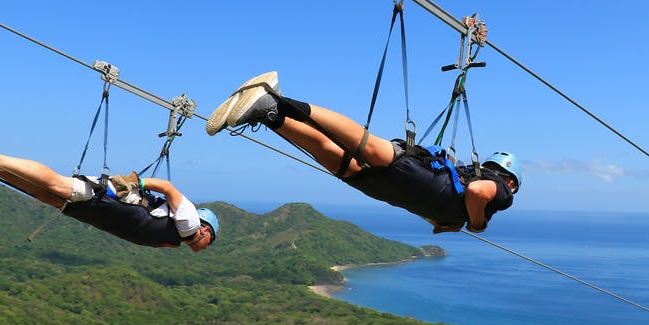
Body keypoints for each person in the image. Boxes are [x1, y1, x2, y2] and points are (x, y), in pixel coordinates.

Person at [206, 72, 519, 233]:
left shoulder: (463, 190)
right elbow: (478, 191)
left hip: (407, 186)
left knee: (342, 150)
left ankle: (268, 113)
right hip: (409, 182)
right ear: (512, 180)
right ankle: (275, 103)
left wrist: (450, 223)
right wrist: (478, 224)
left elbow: (453, 200)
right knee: (356, 142)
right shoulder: (503, 191)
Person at [0, 136, 218, 252]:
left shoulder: (175, 236)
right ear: (205, 230)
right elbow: (169, 188)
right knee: (55, 186)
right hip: (109, 199)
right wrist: (136, 182)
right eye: (211, 240)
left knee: (46, 195)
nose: (206, 246)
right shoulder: (190, 223)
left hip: (104, 212)